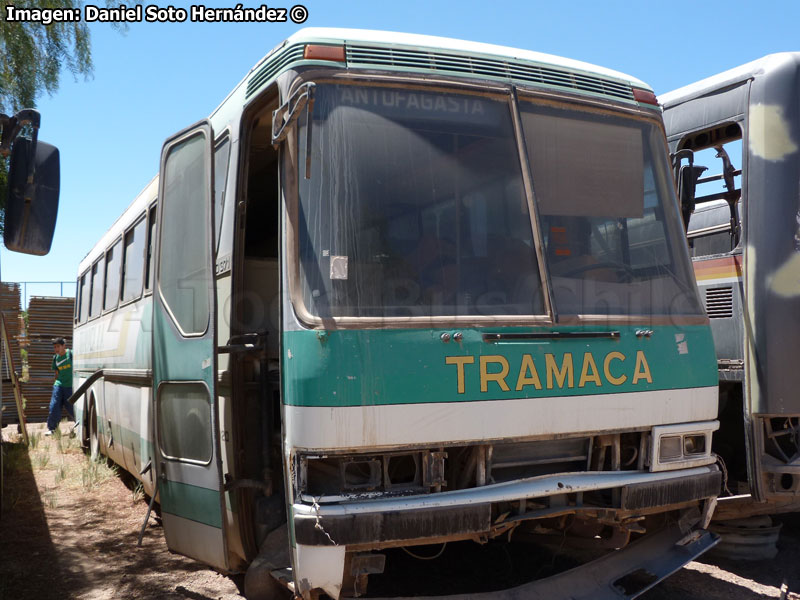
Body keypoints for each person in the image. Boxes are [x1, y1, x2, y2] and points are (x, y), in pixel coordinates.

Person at [46, 337, 74, 436]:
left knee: (72, 408)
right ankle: (52, 429)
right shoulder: (56, 358)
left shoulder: (71, 354)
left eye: (58, 346)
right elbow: (56, 373)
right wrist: (56, 385)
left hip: (70, 386)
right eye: (54, 347)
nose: (56, 349)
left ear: (63, 346)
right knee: (54, 406)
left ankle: (82, 426)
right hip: (59, 385)